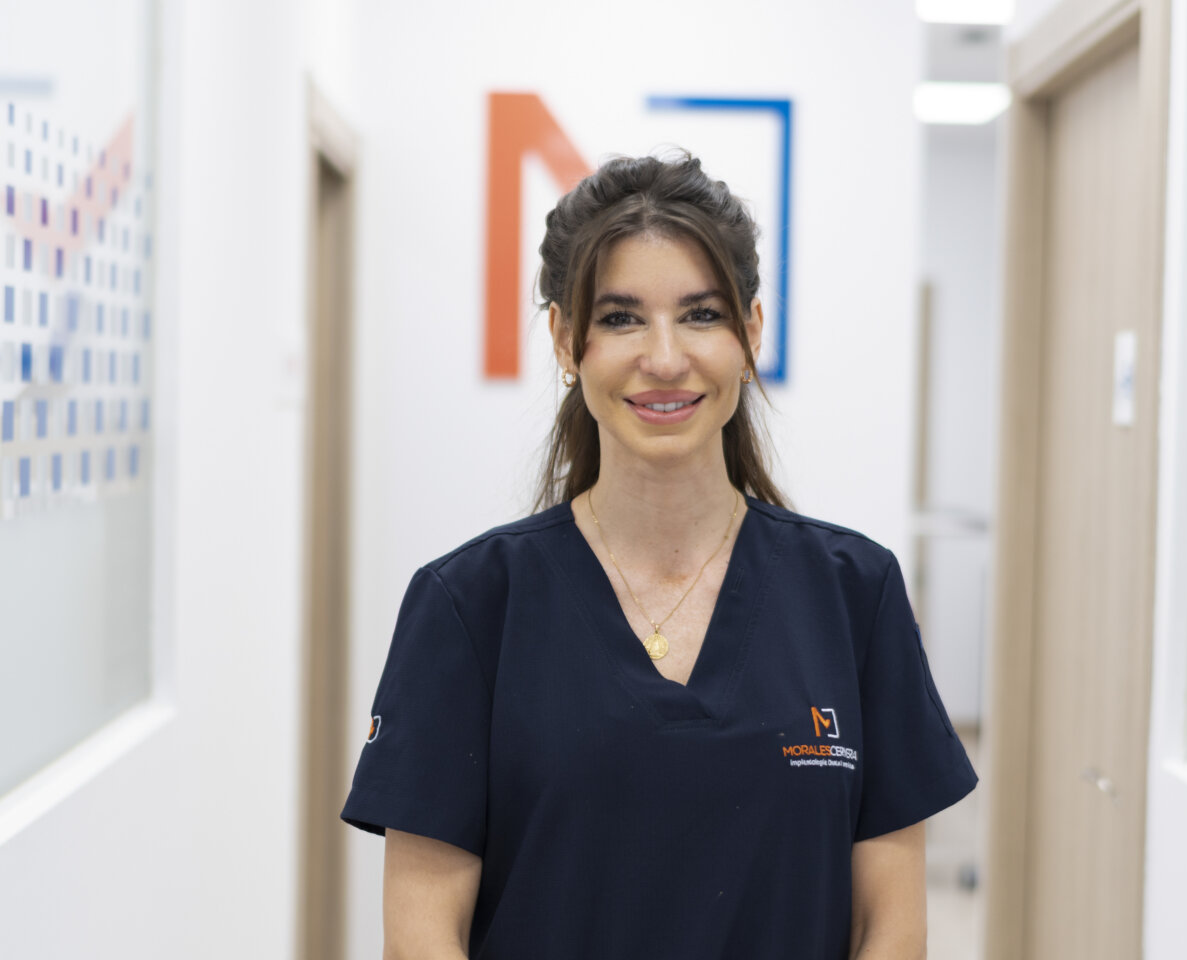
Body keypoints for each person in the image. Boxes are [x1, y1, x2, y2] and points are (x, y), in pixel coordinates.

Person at [341, 153, 977, 959]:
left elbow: (886, 923)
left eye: (702, 315)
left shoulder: (855, 595)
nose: (666, 357)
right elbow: (425, 934)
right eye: (620, 318)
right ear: (567, 342)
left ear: (750, 332)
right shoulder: (470, 606)